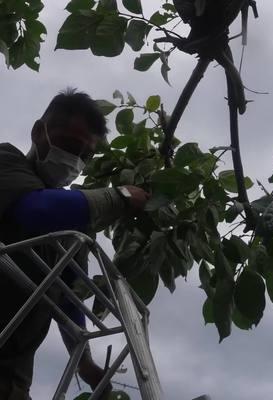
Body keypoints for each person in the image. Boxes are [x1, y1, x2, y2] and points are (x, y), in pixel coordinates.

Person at [0, 88, 150, 399]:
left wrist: (84, 364)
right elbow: (36, 209)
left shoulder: (71, 229)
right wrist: (119, 197)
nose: (74, 162)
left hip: (12, 381)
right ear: (38, 132)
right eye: (69, 147)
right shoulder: (7, 161)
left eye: (85, 156)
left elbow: (68, 296)